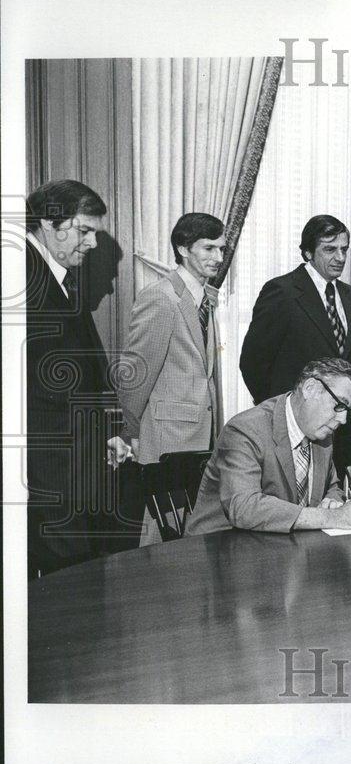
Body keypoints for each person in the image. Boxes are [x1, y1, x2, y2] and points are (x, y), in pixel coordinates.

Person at [24, 179, 131, 576]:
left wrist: (103, 433)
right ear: (50, 223)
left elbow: (75, 375)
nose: (91, 244)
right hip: (46, 470)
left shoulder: (57, 276)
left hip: (70, 467)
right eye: (84, 231)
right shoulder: (20, 275)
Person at [186, 358, 351, 536]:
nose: (343, 419)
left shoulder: (322, 433)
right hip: (217, 550)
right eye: (340, 405)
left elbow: (332, 487)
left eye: (348, 411)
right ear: (310, 388)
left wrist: (332, 501)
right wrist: (329, 517)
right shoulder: (245, 430)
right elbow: (244, 507)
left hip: (277, 548)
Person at [239, 214, 351, 471]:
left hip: (337, 428)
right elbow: (253, 362)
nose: (340, 257)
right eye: (330, 249)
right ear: (307, 252)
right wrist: (281, 413)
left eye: (344, 249)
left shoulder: (349, 295)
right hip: (292, 426)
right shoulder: (282, 291)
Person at [119, 213, 224, 463]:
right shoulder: (161, 298)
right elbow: (136, 372)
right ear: (183, 249)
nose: (219, 258)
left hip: (203, 433)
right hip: (169, 437)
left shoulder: (206, 298)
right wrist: (130, 432)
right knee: (165, 503)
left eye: (221, 249)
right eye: (209, 248)